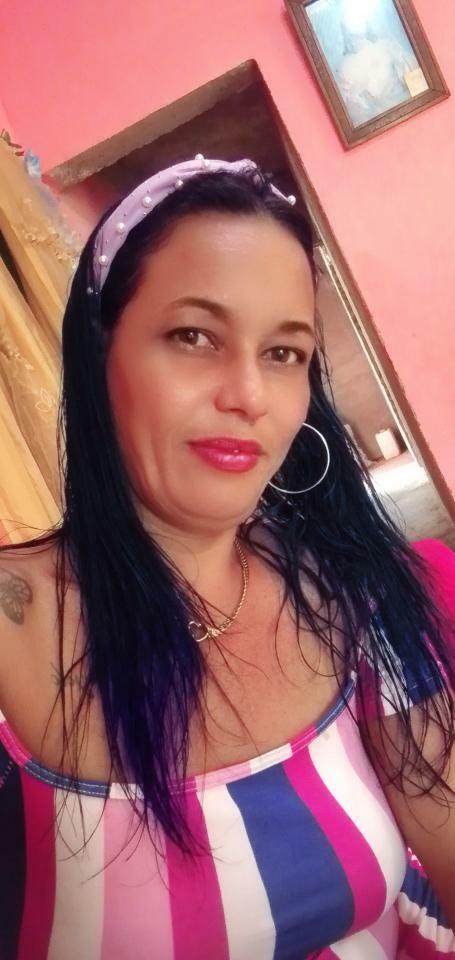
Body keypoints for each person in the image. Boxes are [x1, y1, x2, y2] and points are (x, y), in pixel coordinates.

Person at [0, 155, 454, 960]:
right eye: (194, 336)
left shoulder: (351, 589)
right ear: (100, 355)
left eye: (283, 353)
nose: (248, 394)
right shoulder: (14, 634)